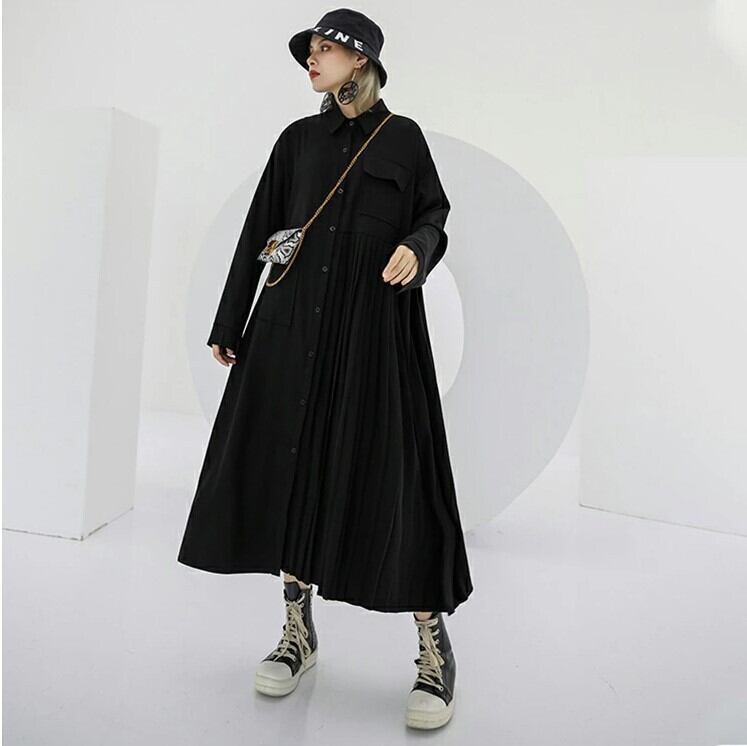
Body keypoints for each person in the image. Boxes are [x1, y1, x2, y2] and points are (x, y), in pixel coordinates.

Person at [177, 8, 473, 730]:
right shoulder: (296, 141)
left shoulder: (402, 138)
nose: (310, 59)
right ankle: (296, 631)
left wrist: (417, 248)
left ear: (359, 59)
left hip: (374, 336)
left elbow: (434, 214)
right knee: (288, 469)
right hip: (290, 330)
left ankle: (433, 647)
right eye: (308, 49)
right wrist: (230, 320)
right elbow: (259, 230)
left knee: (395, 479)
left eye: (324, 48)